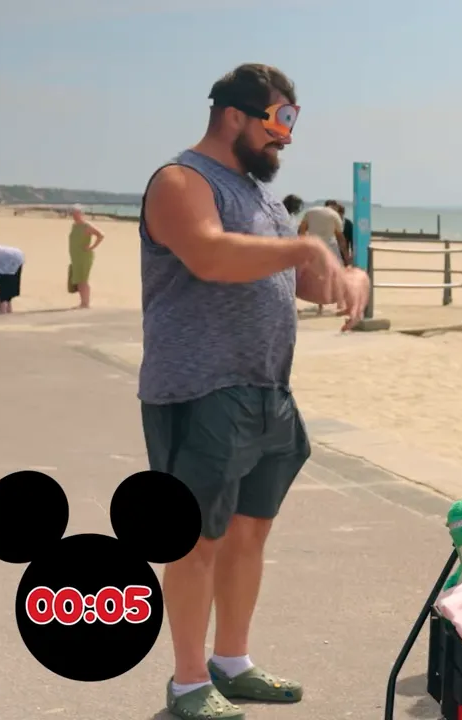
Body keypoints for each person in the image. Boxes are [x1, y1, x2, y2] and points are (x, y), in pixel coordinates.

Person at [137, 62, 369, 720]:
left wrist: (349, 277)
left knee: (249, 535)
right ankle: (188, 684)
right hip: (200, 389)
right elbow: (211, 254)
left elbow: (297, 281)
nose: (285, 138)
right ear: (233, 116)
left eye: (292, 122)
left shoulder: (261, 196)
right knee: (196, 542)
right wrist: (304, 251)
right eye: (277, 121)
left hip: (269, 388)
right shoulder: (180, 181)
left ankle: (232, 663)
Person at [298, 201, 348, 314]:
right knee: (338, 275)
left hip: (314, 247)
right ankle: (340, 303)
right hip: (330, 248)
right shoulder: (334, 215)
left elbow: (302, 230)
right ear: (335, 208)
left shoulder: (310, 211)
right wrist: (346, 255)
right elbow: (340, 237)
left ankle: (320, 305)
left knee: (317, 276)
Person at [67, 205, 105, 308]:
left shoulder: (86, 225)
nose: (74, 216)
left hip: (84, 257)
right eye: (73, 213)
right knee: (79, 279)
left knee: (83, 279)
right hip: (76, 257)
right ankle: (83, 302)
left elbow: (101, 235)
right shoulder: (74, 226)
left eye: (76, 213)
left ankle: (85, 303)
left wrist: (91, 247)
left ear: (81, 214)